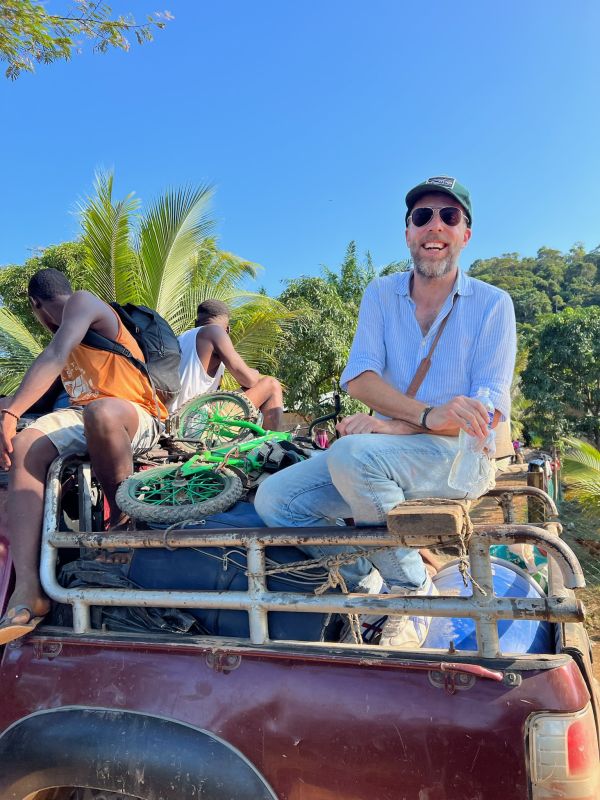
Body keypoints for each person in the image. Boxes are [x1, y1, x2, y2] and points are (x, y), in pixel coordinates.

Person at [255, 176, 517, 647]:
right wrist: (423, 416)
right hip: (388, 453)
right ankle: (368, 570)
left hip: (459, 459)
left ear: (465, 234)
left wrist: (394, 422)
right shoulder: (380, 293)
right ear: (408, 232)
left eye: (448, 216)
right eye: (422, 217)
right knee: (275, 499)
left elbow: (483, 413)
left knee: (354, 454)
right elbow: (360, 379)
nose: (434, 226)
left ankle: (413, 594)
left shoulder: (494, 305)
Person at [0, 269, 167, 644]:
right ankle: (29, 589)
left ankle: (124, 526)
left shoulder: (83, 302)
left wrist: (10, 415)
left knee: (102, 412)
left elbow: (55, 354)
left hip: (136, 416)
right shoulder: (70, 339)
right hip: (85, 414)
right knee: (25, 445)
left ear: (35, 307)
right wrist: (9, 416)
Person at [173, 299, 284, 431]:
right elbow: (249, 380)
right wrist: (254, 373)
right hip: (194, 424)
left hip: (172, 421)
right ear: (228, 329)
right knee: (271, 384)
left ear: (196, 323)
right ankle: (273, 446)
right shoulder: (215, 332)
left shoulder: (179, 338)